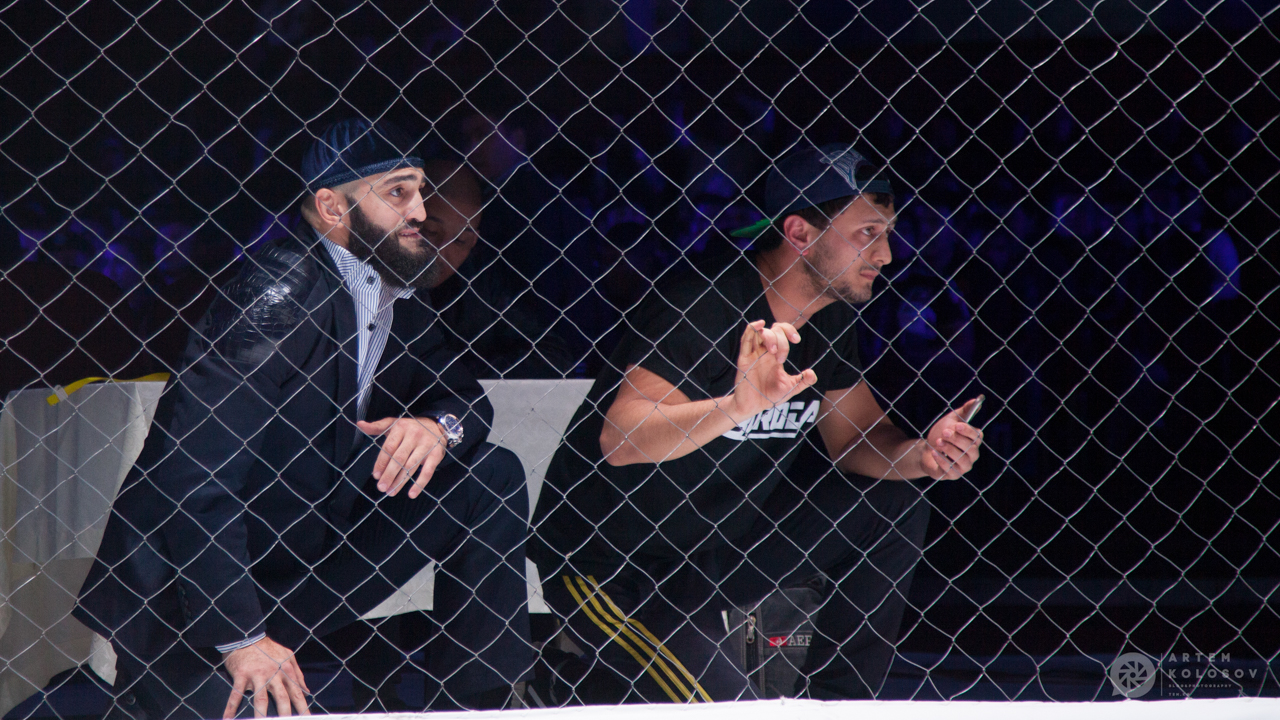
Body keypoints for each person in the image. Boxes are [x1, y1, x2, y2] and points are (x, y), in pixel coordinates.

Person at [75, 118, 533, 719]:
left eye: (421, 191)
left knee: (490, 474)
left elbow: (467, 398)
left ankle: (479, 705)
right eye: (398, 192)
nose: (422, 212)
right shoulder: (278, 296)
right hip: (191, 592)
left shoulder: (395, 292)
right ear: (331, 206)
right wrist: (241, 639)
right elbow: (193, 479)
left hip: (302, 561)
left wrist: (435, 428)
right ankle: (161, 684)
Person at [529, 144, 983, 703]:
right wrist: (736, 406)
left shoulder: (827, 314)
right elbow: (621, 439)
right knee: (725, 710)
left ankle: (838, 705)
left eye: (886, 233)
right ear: (800, 233)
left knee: (895, 501)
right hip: (615, 562)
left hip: (720, 549)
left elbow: (854, 438)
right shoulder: (706, 300)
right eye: (868, 233)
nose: (886, 254)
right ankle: (568, 684)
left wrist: (923, 455)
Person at [422, 159, 576, 378]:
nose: (441, 251)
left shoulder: (479, 281)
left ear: (474, 242)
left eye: (460, 241)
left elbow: (552, 354)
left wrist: (456, 376)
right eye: (430, 232)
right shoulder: (377, 278)